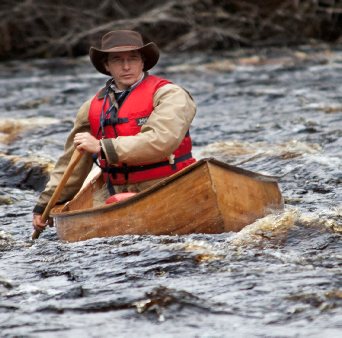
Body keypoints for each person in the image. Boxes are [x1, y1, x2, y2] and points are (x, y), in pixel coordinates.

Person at [32, 30, 197, 233]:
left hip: (169, 185)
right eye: (118, 60)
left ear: (143, 62)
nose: (126, 66)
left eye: (132, 59)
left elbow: (162, 141)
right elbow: (72, 163)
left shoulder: (170, 95)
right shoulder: (91, 108)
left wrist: (101, 147)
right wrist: (46, 204)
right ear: (106, 66)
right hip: (115, 190)